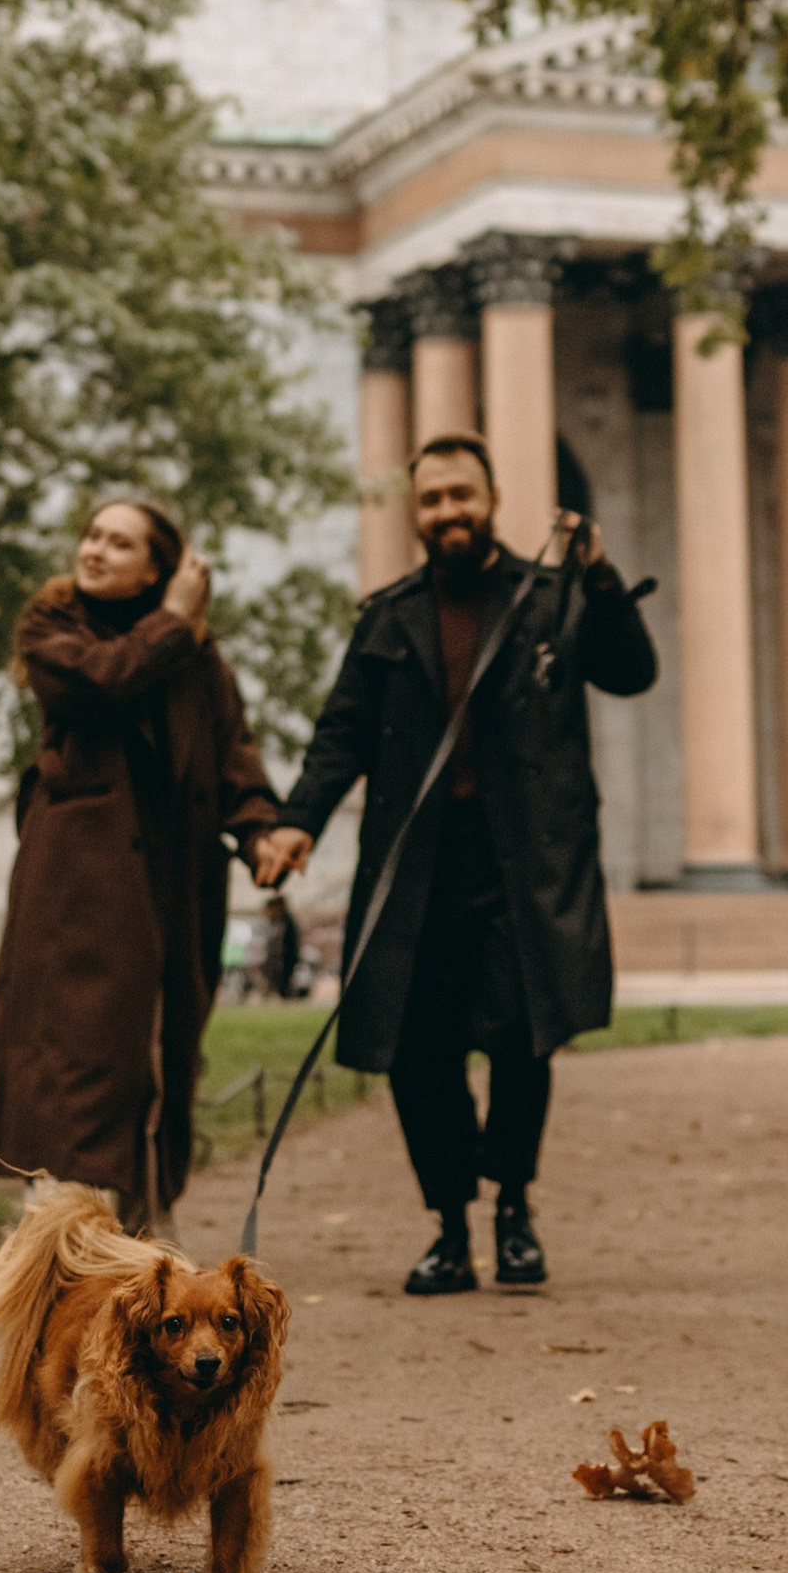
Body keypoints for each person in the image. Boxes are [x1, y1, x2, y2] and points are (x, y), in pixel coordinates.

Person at [254, 433, 658, 1294]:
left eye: (461, 495)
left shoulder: (550, 597)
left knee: (522, 1040)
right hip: (416, 871)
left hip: (524, 868)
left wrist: (600, 576)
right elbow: (340, 736)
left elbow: (631, 672)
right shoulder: (388, 616)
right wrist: (297, 824)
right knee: (417, 1053)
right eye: (433, 499)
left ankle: (512, 1208)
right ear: (417, 513)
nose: (448, 512)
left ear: (492, 499)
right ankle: (448, 1227)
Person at [0, 497, 278, 1231]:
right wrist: (172, 620)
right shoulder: (52, 629)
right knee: (74, 1050)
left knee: (163, 1051)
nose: (94, 550)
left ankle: (146, 1227)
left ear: (153, 570)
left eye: (117, 542)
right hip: (77, 891)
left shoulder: (195, 658)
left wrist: (261, 829)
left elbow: (232, 748)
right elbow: (103, 682)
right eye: (91, 535)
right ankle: (60, 1233)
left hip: (174, 886)